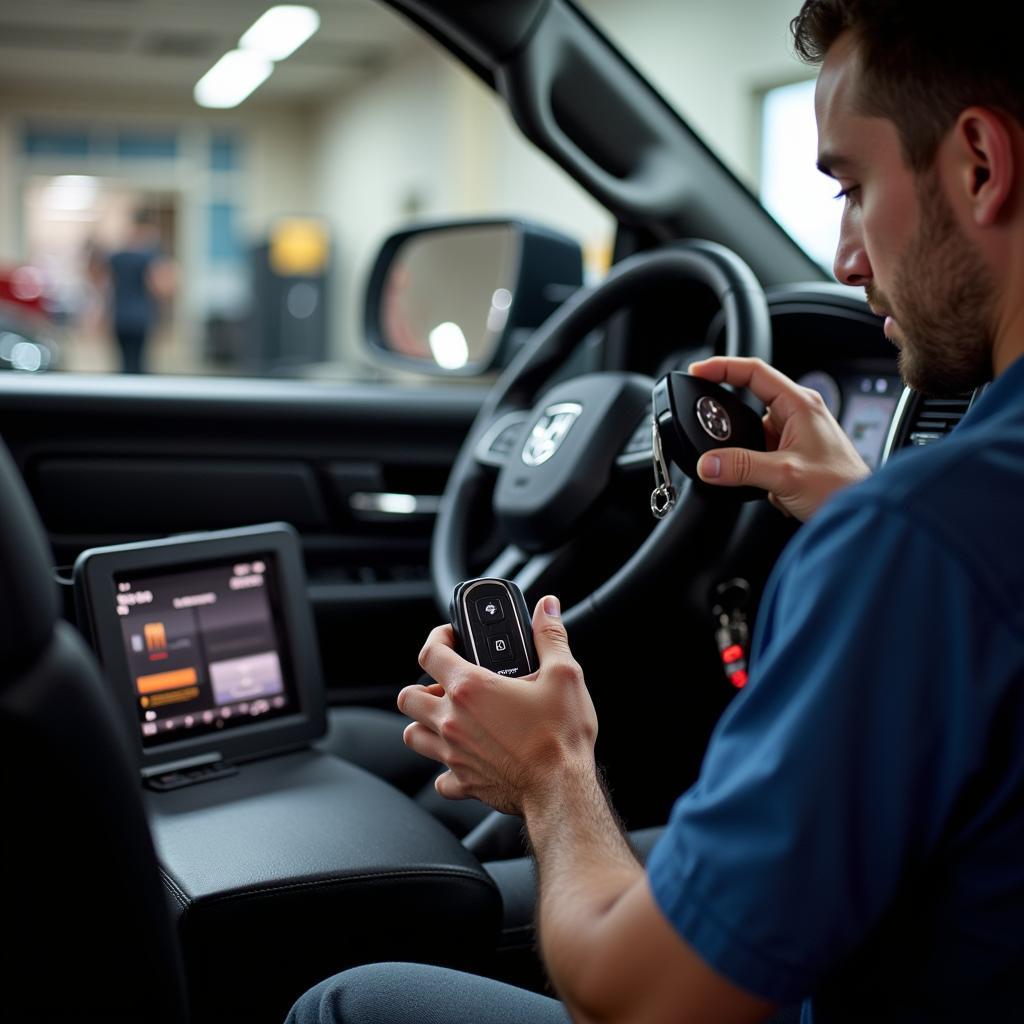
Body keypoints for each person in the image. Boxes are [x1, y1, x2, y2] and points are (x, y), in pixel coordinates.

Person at [289, 1, 1024, 1020]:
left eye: (853, 188)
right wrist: (870, 511)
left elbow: (640, 997)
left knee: (351, 1002)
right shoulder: (927, 538)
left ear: (980, 164)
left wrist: (550, 773)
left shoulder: (913, 547)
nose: (847, 259)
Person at [105, 209, 174, 373]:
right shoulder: (150, 257)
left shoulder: (117, 256)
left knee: (124, 362)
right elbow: (158, 287)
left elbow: (107, 285)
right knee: (140, 363)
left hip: (120, 317)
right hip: (141, 318)